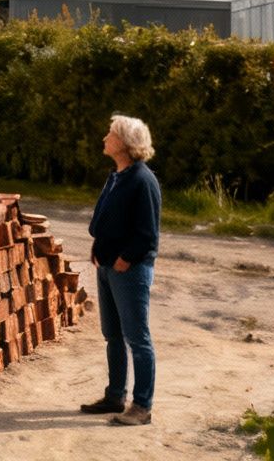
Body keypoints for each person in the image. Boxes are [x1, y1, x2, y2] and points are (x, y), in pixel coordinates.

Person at [82, 113, 161, 426]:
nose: (105, 138)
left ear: (127, 143)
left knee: (137, 338)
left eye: (110, 134)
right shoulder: (116, 175)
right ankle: (115, 396)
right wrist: (98, 249)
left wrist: (124, 259)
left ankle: (142, 407)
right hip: (107, 266)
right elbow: (106, 222)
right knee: (112, 334)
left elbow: (148, 233)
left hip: (129, 270)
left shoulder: (143, 180)